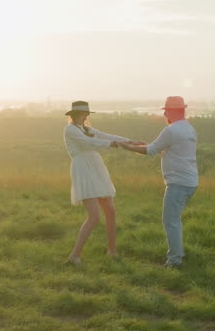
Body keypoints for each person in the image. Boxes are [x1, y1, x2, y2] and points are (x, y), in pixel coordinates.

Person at [119, 96, 198, 267]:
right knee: (174, 219)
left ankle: (174, 261)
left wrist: (127, 147)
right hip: (190, 181)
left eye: (166, 111)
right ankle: (178, 253)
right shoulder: (188, 128)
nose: (165, 114)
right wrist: (146, 145)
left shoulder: (171, 130)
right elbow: (166, 148)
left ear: (173, 111)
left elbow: (150, 151)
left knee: (170, 221)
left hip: (178, 183)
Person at [62, 100, 134, 266]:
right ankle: (74, 256)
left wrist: (128, 141)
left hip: (96, 167)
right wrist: (113, 144)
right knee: (94, 217)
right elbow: (90, 142)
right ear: (74, 115)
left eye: (87, 114)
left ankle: (112, 252)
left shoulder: (86, 129)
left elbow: (104, 135)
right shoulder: (70, 130)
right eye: (83, 114)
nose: (86, 116)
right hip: (83, 169)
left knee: (110, 211)